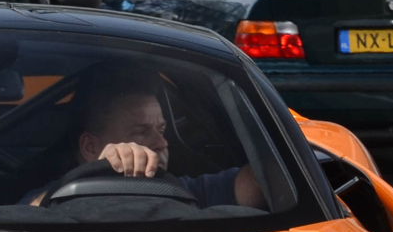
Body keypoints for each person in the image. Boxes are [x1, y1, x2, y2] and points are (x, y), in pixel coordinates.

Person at [30, 66, 264, 208]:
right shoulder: (55, 196)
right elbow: (28, 214)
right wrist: (102, 172)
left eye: (161, 130)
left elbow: (263, 179)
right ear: (91, 147)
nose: (161, 143)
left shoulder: (185, 191)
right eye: (140, 132)